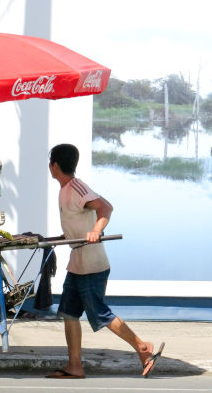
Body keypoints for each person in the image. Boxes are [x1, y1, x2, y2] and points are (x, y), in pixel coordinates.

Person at [46, 143, 164, 379]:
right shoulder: (65, 190)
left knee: (100, 313)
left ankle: (142, 347)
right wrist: (64, 237)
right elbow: (78, 219)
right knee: (69, 313)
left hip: (92, 263)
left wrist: (96, 230)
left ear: (55, 165)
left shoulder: (76, 187)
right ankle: (75, 366)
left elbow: (105, 207)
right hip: (77, 262)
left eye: (50, 162)